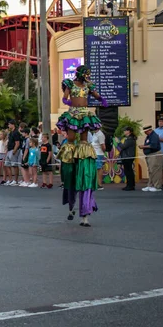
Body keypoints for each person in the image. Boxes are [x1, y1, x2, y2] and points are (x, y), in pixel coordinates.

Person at [56, 65, 108, 226]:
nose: (88, 76)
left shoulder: (88, 86)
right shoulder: (70, 84)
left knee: (84, 138)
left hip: (85, 112)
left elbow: (96, 95)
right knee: (71, 137)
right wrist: (67, 100)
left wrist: (101, 100)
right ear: (80, 74)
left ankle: (83, 150)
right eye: (86, 74)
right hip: (73, 112)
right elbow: (65, 97)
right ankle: (70, 153)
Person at [139, 125, 163, 192]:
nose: (144, 133)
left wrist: (143, 146)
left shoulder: (154, 136)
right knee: (151, 170)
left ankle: (157, 186)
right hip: (150, 155)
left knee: (156, 171)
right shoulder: (149, 136)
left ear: (149, 130)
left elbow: (154, 145)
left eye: (145, 131)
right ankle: (150, 185)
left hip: (154, 155)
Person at [117, 126, 137, 191]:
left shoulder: (130, 139)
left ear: (128, 131)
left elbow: (123, 146)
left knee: (128, 171)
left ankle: (130, 185)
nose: (124, 132)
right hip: (127, 156)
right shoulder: (129, 138)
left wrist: (118, 142)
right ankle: (130, 185)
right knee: (128, 171)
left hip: (128, 157)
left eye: (125, 130)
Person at [5, 120, 22, 186]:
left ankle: (15, 180)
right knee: (7, 165)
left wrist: (14, 151)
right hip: (9, 150)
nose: (8, 126)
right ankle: (10, 179)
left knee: (14, 165)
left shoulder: (16, 132)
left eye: (9, 124)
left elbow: (17, 143)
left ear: (13, 124)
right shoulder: (11, 132)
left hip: (13, 150)